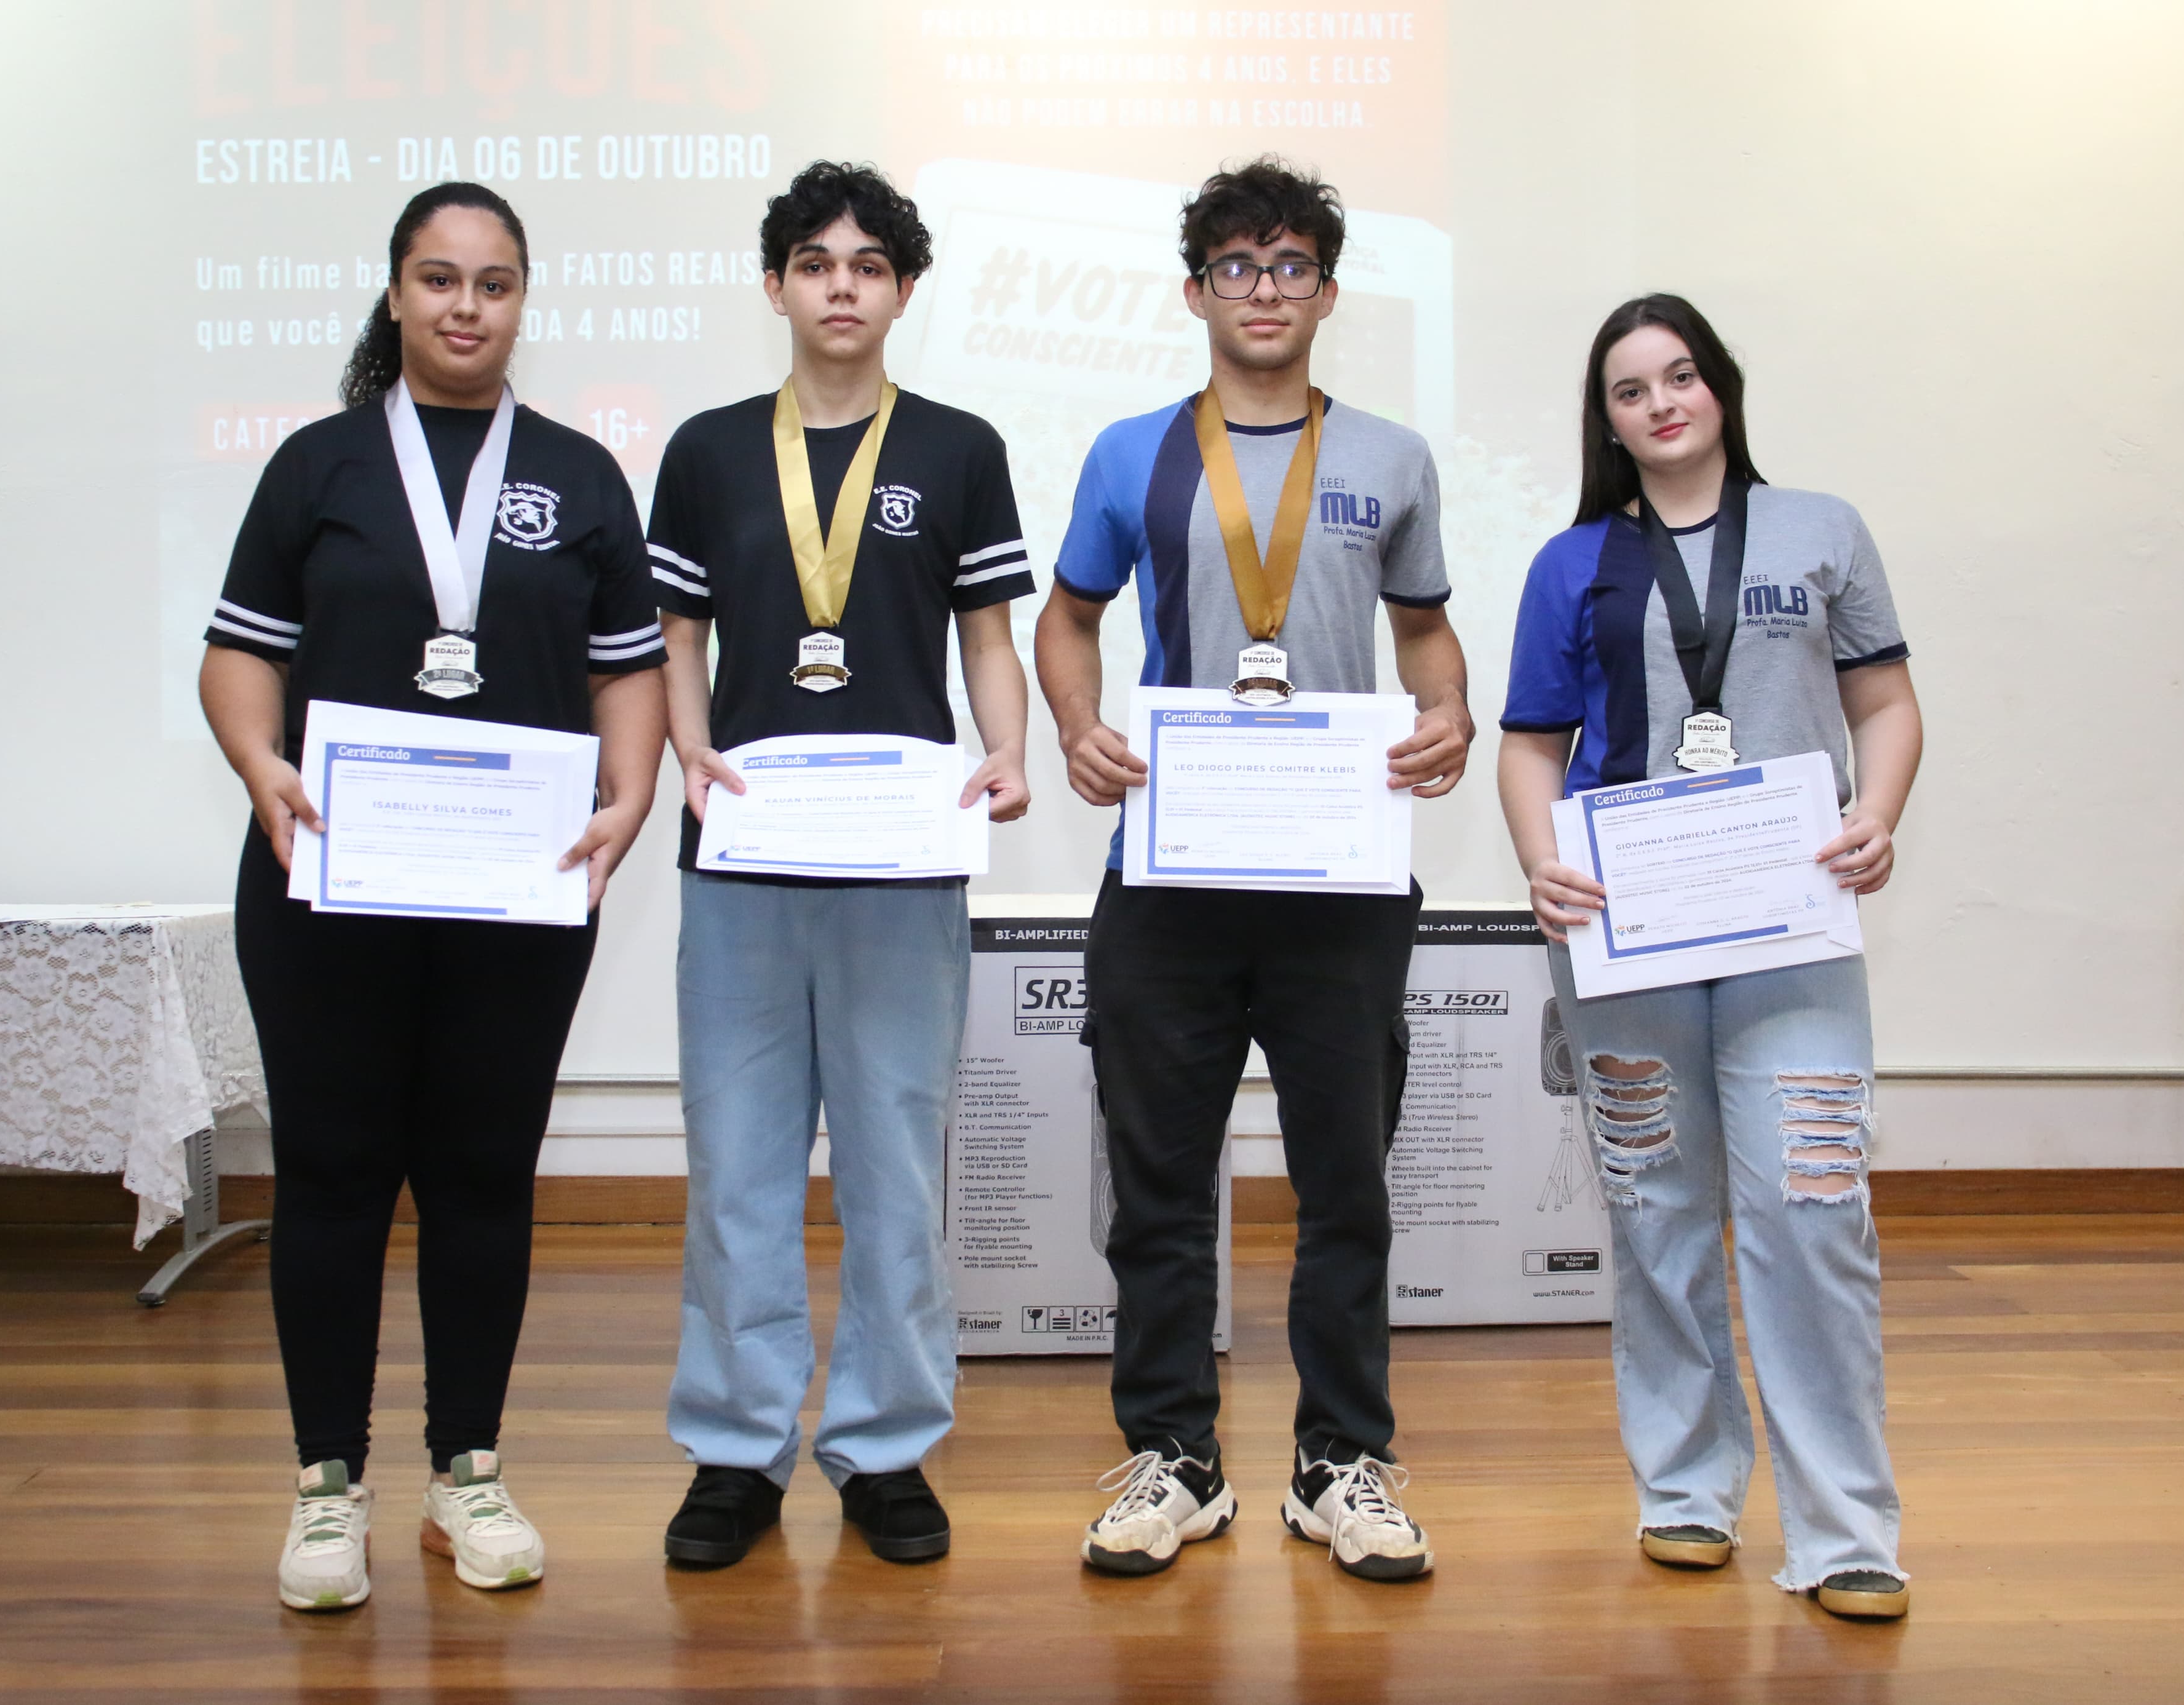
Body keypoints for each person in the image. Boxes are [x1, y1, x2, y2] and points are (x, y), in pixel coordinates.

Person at [200, 181, 667, 1613]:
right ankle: (326, 1486)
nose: (467, 306)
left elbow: (625, 670)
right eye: (439, 278)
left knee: (480, 1181)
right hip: (325, 880)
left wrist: (630, 796)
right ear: (396, 293)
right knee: (334, 1179)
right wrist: (260, 767)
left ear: (525, 301)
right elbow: (237, 653)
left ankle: (467, 1468)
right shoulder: (317, 464)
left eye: (495, 283)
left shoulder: (584, 475)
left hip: (515, 896)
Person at [1035, 157, 1471, 1581]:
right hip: (1168, 882)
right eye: (1236, 265)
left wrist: (1452, 712)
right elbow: (1068, 617)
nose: (1264, 288)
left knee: (1345, 1188)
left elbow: (1422, 638)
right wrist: (1079, 726)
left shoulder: (1393, 458)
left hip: (1340, 885)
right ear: (1195, 292)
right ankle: (1177, 1461)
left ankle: (1340, 1465)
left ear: (1329, 293)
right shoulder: (1128, 453)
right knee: (1159, 1189)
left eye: (1290, 265)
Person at [1495, 293, 1924, 1621]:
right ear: (1607, 421)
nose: (1661, 402)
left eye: (1680, 376)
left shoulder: (1821, 530)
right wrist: (1537, 858)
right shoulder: (1573, 561)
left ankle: (1846, 1528)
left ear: (1721, 388)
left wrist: (1875, 814)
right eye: (1631, 390)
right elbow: (1528, 744)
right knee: (1657, 1214)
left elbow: (1886, 702)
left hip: (1792, 926)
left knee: (1810, 1211)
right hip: (1627, 933)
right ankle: (1685, 1492)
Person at [649, 161, 1034, 1569]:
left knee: (892, 1170)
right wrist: (689, 757)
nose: (841, 287)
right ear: (776, 285)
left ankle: (883, 1446)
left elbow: (988, 637)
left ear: (903, 292)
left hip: (901, 862)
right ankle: (737, 1452)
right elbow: (674, 645)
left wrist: (1006, 753)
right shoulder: (702, 450)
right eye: (815, 262)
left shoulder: (957, 445)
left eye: (869, 266)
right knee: (739, 1168)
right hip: (741, 852)